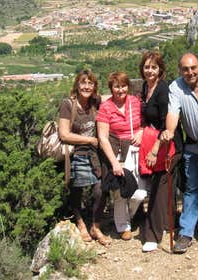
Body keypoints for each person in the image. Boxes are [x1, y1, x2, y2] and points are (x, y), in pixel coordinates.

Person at [160, 52, 198, 254]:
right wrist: (169, 130)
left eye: (193, 68)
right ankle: (186, 232)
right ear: (180, 70)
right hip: (194, 146)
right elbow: (172, 113)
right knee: (192, 189)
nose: (190, 72)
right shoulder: (176, 87)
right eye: (185, 69)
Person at [58, 69, 111, 246]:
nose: (86, 86)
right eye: (83, 82)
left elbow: (115, 95)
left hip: (93, 154)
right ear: (77, 84)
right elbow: (64, 134)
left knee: (100, 189)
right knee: (77, 191)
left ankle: (95, 226)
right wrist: (89, 139)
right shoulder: (68, 104)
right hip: (76, 153)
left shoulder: (95, 102)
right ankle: (80, 222)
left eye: (90, 83)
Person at [96, 71, 147, 240]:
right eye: (116, 86)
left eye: (123, 86)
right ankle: (123, 226)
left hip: (134, 151)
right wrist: (114, 163)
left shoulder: (135, 102)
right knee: (119, 193)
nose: (120, 90)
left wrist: (141, 132)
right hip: (116, 152)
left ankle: (129, 216)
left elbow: (146, 123)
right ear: (111, 88)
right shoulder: (106, 107)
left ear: (128, 87)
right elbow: (103, 137)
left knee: (139, 193)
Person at [137, 51, 173, 252]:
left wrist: (155, 149)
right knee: (156, 185)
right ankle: (165, 223)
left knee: (159, 187)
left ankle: (152, 234)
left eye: (154, 67)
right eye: (147, 67)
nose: (149, 70)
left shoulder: (162, 90)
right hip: (152, 142)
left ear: (160, 70)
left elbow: (166, 124)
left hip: (166, 144)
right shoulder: (146, 87)